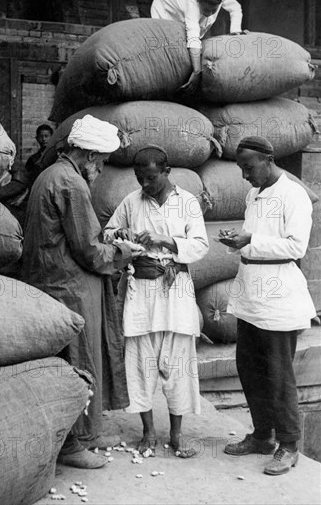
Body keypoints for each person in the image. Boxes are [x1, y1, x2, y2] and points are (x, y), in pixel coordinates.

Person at [22, 115, 137, 469]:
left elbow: (76, 235)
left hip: (55, 281)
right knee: (77, 363)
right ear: (88, 156)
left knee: (73, 360)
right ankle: (73, 443)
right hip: (67, 289)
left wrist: (105, 239)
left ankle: (83, 434)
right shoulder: (71, 183)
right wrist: (121, 252)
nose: (101, 169)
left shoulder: (52, 175)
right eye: (100, 162)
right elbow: (88, 250)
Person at [218, 136, 316, 475]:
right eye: (242, 169)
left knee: (278, 375)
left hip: (278, 296)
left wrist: (252, 240)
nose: (246, 175)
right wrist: (239, 240)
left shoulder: (294, 196)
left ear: (269, 159)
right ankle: (262, 435)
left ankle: (289, 445)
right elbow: (255, 237)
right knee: (249, 367)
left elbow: (295, 247)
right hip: (250, 294)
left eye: (249, 167)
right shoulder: (253, 195)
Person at [104, 145, 209, 458]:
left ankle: (177, 435)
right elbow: (109, 233)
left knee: (178, 366)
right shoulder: (131, 201)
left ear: (166, 172)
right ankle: (148, 432)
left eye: (150, 178)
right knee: (139, 363)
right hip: (141, 293)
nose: (144, 184)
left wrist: (168, 243)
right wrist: (119, 233)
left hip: (175, 293)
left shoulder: (187, 202)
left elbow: (201, 245)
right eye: (139, 178)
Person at [150, 0, 243, 93]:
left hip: (184, 12)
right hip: (165, 6)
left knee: (191, 45)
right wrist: (197, 71)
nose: (209, 13)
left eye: (213, 10)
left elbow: (236, 8)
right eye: (206, 9)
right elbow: (193, 37)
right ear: (198, 0)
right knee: (170, 45)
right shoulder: (192, 3)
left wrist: (236, 31)